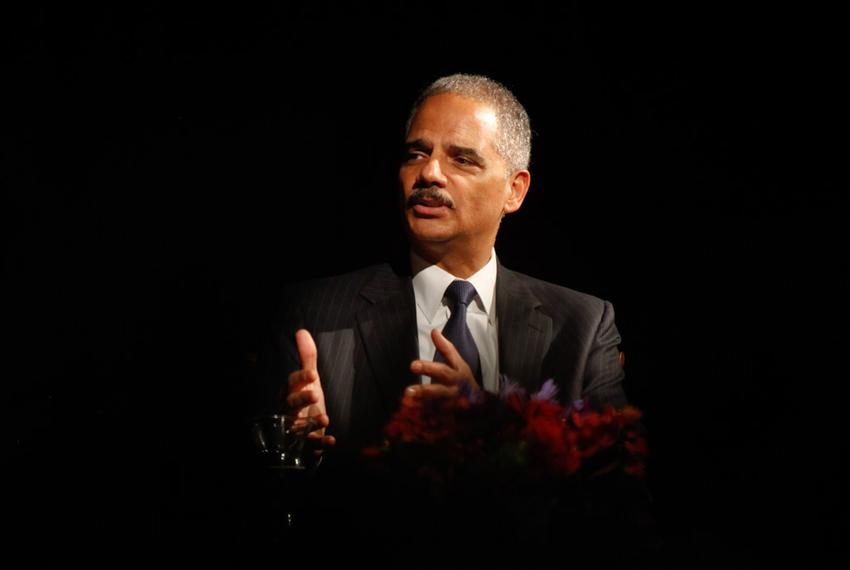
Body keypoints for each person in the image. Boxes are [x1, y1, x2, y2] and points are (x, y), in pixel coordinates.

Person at [258, 73, 628, 465]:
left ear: (514, 190)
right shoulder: (314, 316)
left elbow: (617, 489)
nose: (429, 173)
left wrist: (495, 429)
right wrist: (294, 449)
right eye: (416, 154)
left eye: (462, 159)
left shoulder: (583, 326)